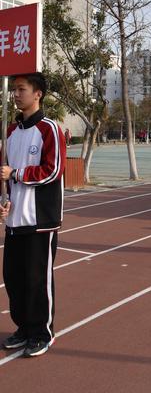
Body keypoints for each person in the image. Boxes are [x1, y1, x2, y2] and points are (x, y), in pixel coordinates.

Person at [0, 73, 66, 358]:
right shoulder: (12, 131)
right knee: (14, 278)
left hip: (40, 220)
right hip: (14, 220)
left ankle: (42, 332)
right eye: (13, 89)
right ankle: (24, 327)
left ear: (37, 94)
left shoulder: (49, 129)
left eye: (21, 89)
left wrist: (16, 173)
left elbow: (53, 170)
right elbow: (3, 175)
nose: (16, 94)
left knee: (37, 279)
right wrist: (3, 199)